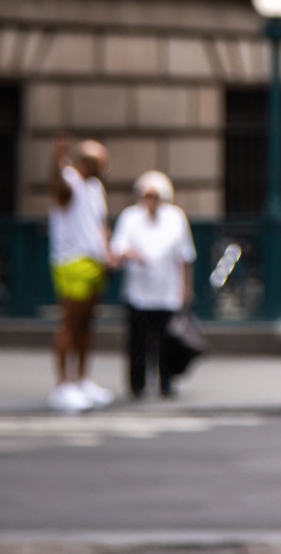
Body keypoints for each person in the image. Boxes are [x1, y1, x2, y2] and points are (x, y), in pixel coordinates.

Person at [108, 170, 196, 400]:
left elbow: (185, 256)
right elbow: (117, 248)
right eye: (147, 196)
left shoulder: (175, 218)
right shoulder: (130, 217)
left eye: (155, 196)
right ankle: (137, 385)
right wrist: (130, 253)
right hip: (138, 291)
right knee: (137, 340)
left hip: (167, 290)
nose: (151, 201)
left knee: (166, 340)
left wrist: (186, 287)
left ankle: (165, 382)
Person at [49, 137, 113, 413]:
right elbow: (60, 188)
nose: (103, 166)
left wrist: (107, 251)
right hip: (71, 261)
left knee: (87, 323)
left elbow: (100, 224)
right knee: (70, 323)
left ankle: (82, 380)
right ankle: (64, 384)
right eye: (99, 161)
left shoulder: (95, 187)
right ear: (85, 161)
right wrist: (59, 159)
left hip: (94, 262)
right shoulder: (70, 180)